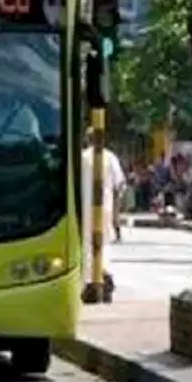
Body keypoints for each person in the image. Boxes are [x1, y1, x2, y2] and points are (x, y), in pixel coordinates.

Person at [80, 129, 128, 300]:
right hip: (105, 208)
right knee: (103, 243)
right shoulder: (110, 157)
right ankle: (105, 274)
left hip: (86, 208)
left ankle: (92, 282)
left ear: (87, 139)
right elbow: (120, 186)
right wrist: (117, 211)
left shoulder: (82, 158)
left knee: (87, 245)